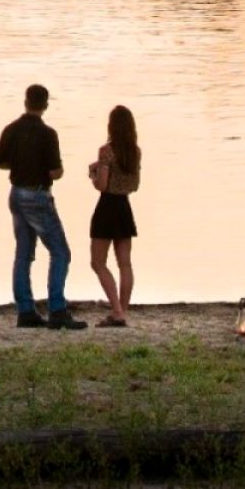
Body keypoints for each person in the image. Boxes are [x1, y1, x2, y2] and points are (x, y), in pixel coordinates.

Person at [0, 83, 85, 330]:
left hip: (16, 194)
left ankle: (25, 311)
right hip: (37, 195)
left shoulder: (11, 129)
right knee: (60, 252)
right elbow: (55, 172)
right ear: (45, 105)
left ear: (25, 102)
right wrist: (55, 171)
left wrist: (17, 166)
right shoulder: (47, 134)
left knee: (23, 253)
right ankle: (57, 309)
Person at [87, 105, 141, 328]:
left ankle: (117, 311)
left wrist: (93, 173)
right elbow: (134, 184)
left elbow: (102, 184)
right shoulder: (134, 151)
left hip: (107, 206)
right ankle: (123, 311)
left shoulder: (106, 151)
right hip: (124, 206)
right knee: (125, 263)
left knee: (98, 262)